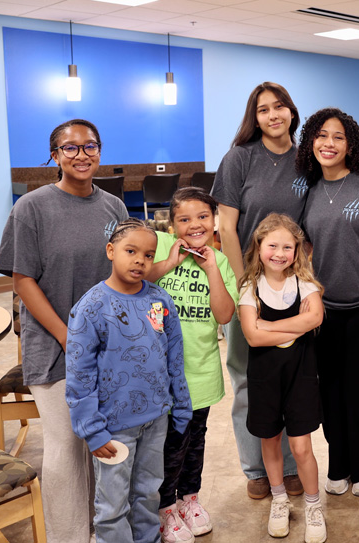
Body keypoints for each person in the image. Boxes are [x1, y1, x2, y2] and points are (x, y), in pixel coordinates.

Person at [0, 118, 128, 543]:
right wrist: (68, 336)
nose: (81, 154)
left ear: (100, 152)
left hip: (109, 346)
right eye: (70, 148)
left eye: (90, 146)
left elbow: (125, 271)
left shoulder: (114, 208)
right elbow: (22, 280)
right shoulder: (31, 208)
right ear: (54, 156)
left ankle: (102, 530)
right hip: (56, 347)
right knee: (67, 446)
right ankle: (69, 537)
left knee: (103, 443)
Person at [65, 218, 193, 543]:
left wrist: (181, 408)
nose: (140, 260)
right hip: (113, 427)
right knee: (112, 506)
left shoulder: (160, 301)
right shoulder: (91, 307)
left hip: (155, 421)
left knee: (148, 495)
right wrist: (92, 431)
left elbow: (175, 359)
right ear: (111, 250)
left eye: (149, 255)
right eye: (131, 251)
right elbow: (79, 376)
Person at [211, 82, 306, 499]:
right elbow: (227, 228)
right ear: (255, 117)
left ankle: (286, 467)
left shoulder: (307, 159)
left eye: (280, 106)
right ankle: (255, 469)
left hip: (293, 284)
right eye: (263, 109)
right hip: (248, 282)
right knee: (250, 378)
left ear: (291, 111)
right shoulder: (240, 159)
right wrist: (243, 283)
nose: (273, 115)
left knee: (290, 376)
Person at [296, 107, 359, 498]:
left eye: (338, 136)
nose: (329, 143)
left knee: (358, 390)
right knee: (329, 390)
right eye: (321, 136)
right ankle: (337, 463)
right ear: (311, 143)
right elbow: (302, 243)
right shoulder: (308, 188)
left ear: (350, 143)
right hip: (324, 307)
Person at [146, 188, 238, 542]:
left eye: (202, 217)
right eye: (184, 219)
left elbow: (225, 314)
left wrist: (212, 266)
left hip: (200, 373)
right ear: (172, 224)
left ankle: (189, 498)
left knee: (194, 440)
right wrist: (170, 262)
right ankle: (165, 507)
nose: (194, 225)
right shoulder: (159, 246)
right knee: (169, 444)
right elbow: (134, 277)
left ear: (214, 221)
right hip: (159, 376)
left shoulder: (221, 261)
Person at [238, 213, 326, 542]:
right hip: (264, 378)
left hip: (300, 375)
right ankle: (279, 499)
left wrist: (267, 326)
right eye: (272, 245)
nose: (279, 253)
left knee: (302, 446)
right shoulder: (250, 287)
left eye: (287, 247)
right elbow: (251, 337)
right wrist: (294, 326)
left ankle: (315, 506)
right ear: (258, 247)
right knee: (270, 439)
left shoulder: (304, 281)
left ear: (297, 250)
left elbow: (315, 317)